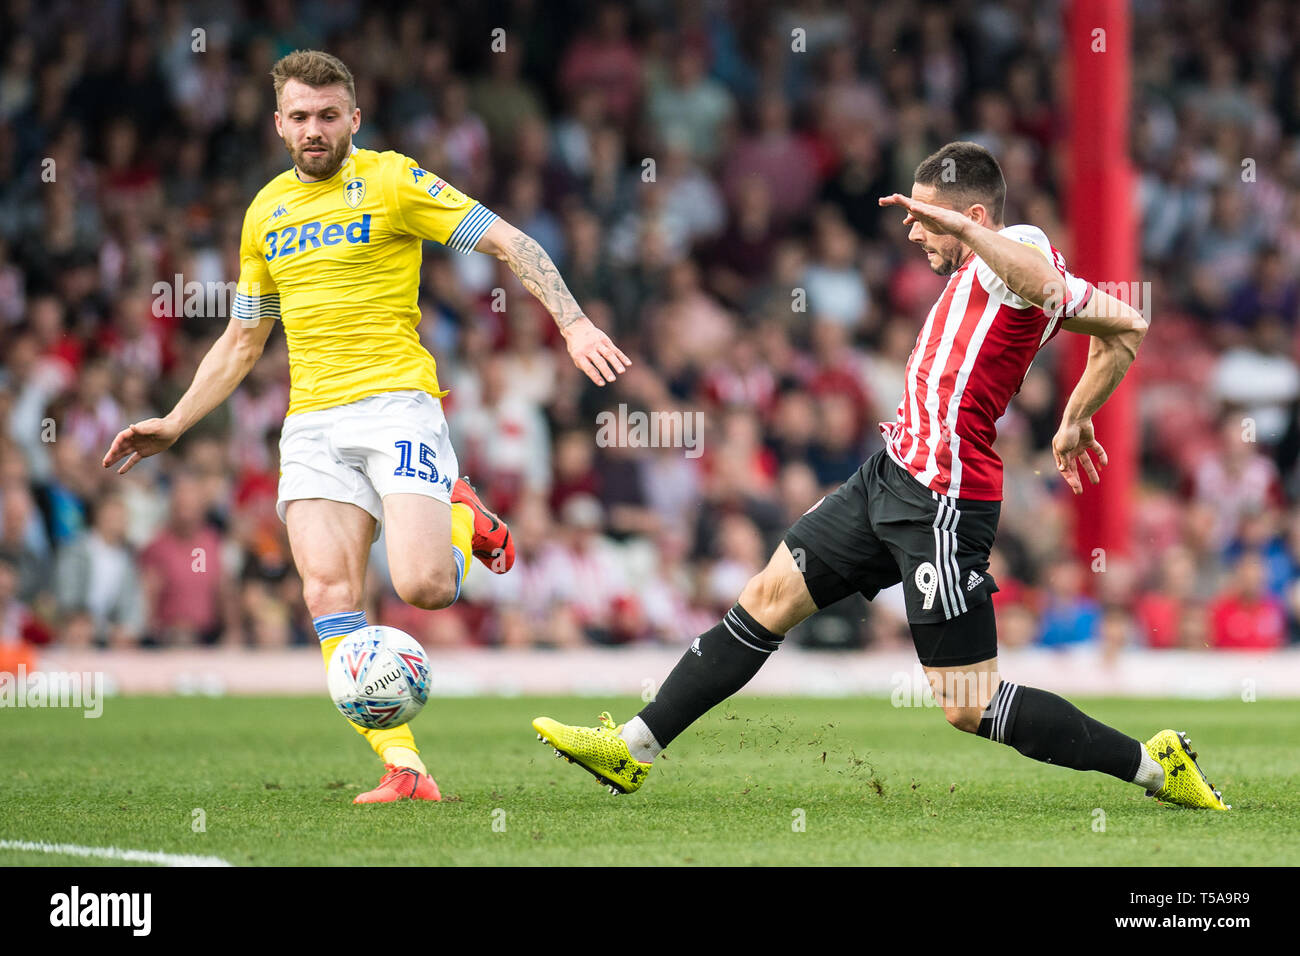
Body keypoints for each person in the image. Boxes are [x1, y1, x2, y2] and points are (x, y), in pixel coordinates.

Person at [535, 141, 1229, 811]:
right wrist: (1076, 417)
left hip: (945, 500)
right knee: (768, 596)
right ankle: (632, 747)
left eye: (927, 217)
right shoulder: (983, 268)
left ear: (975, 217)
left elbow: (1094, 308)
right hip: (889, 475)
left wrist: (1073, 405)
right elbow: (1120, 329)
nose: (913, 231)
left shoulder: (1018, 250)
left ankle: (1154, 764)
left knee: (969, 705)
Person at [103, 50, 629, 804]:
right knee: (326, 594)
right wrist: (178, 421)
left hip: (395, 406)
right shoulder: (265, 213)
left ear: (354, 118)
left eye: (327, 116)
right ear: (277, 124)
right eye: (299, 117)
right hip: (312, 422)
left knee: (424, 587)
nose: (313, 130)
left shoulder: (391, 180)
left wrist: (573, 325)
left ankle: (461, 513)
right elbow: (245, 338)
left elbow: (513, 240)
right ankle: (404, 766)